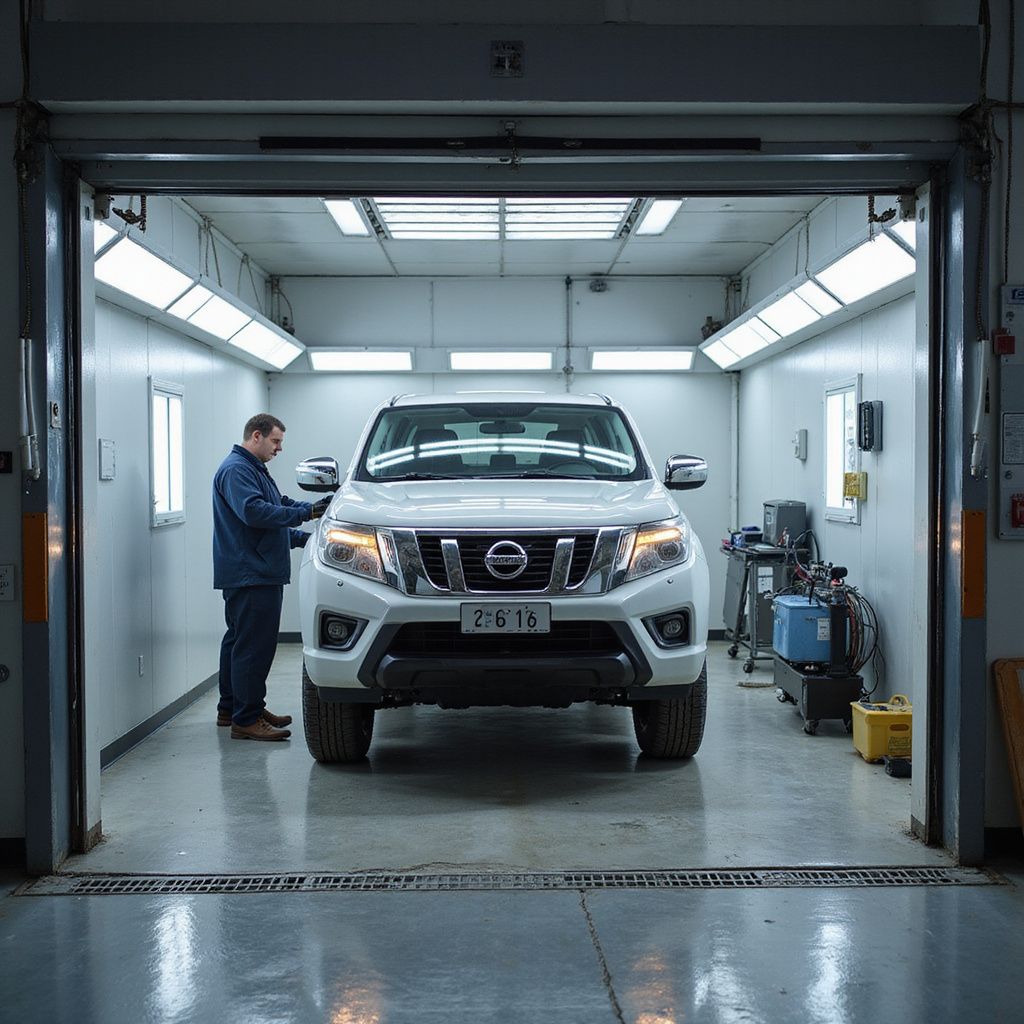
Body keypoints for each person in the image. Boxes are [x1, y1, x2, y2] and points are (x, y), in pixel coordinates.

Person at [213, 413, 330, 741]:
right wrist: (306, 513)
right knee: (254, 647)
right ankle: (246, 718)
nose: (279, 449)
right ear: (255, 436)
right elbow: (255, 513)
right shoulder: (238, 471)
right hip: (253, 574)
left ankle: (233, 707)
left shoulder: (251, 469)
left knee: (237, 642)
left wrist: (311, 528)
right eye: (275, 441)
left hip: (249, 570)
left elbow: (277, 507)